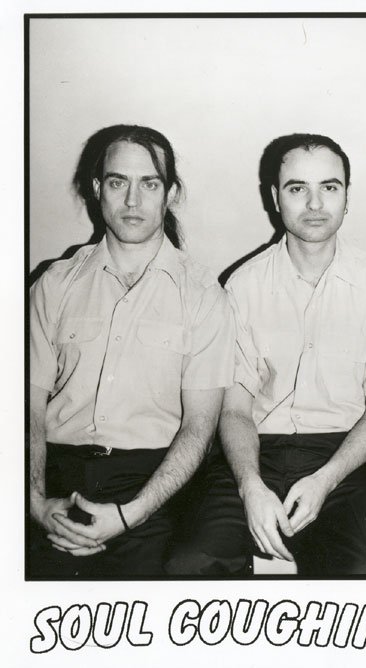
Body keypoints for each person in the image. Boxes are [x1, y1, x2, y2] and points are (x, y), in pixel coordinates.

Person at [166, 134, 366, 575]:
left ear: (347, 197)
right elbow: (234, 410)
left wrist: (326, 479)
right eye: (297, 188)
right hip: (254, 453)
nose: (315, 203)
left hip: (344, 458)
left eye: (329, 187)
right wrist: (250, 486)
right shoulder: (242, 285)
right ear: (275, 198)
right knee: (191, 563)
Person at [28, 124, 235, 577]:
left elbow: (199, 428)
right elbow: (27, 409)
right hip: (56, 474)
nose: (133, 201)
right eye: (118, 182)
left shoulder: (204, 295)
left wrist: (130, 514)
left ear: (170, 193)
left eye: (150, 184)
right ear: (97, 188)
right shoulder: (53, 284)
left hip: (151, 484)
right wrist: (35, 503)